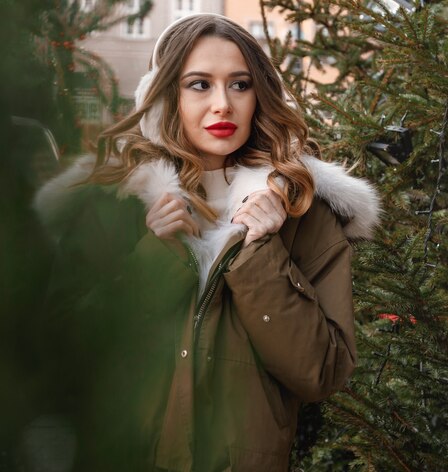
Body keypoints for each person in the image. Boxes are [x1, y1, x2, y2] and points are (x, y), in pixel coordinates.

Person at [35, 13, 380, 472]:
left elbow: (322, 372)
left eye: (240, 85)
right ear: (165, 95)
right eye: (199, 84)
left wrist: (259, 254)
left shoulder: (301, 209)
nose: (223, 104)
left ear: (260, 94)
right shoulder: (113, 202)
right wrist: (156, 259)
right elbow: (64, 353)